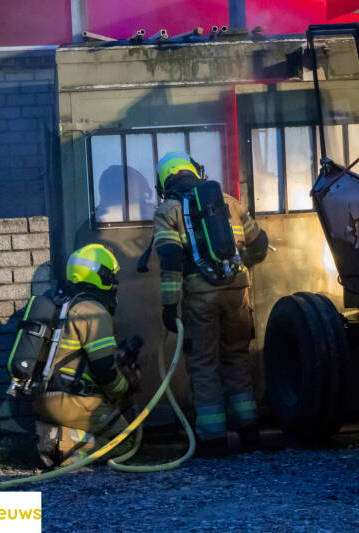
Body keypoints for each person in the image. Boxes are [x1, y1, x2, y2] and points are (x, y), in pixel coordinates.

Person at [153, 152, 269, 457]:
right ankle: (250, 433)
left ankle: (214, 440)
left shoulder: (168, 210)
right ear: (195, 171)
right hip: (236, 294)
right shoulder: (229, 201)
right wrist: (240, 269)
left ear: (164, 181)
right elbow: (259, 244)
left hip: (200, 298)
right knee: (236, 359)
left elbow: (170, 258)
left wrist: (169, 304)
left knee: (204, 365)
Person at [32, 244, 142, 468]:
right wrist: (125, 388)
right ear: (100, 275)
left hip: (43, 397)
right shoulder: (93, 311)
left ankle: (62, 433)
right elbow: (105, 372)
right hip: (71, 400)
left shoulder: (62, 303)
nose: (114, 284)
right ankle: (62, 443)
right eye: (112, 277)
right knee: (126, 441)